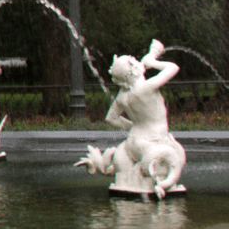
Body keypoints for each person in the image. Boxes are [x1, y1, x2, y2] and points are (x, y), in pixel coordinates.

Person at [76, 39, 187, 196]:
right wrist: (152, 61)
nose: (137, 61)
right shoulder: (146, 88)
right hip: (153, 141)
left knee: (124, 174)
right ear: (133, 71)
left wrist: (133, 127)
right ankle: (161, 185)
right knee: (176, 156)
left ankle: (126, 184)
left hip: (132, 142)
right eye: (134, 61)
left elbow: (111, 118)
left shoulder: (123, 96)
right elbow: (173, 67)